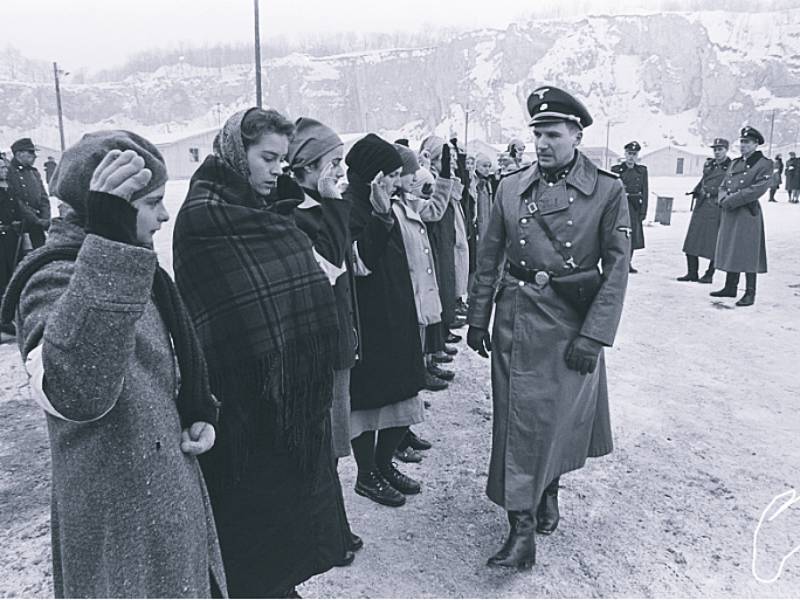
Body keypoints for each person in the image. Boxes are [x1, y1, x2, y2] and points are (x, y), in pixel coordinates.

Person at [0, 132, 227, 597]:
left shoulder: (132, 266)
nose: (165, 215)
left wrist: (195, 405)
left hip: (162, 499)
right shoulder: (54, 277)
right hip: (118, 519)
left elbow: (157, 363)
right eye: (152, 202)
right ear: (112, 208)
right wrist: (107, 243)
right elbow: (75, 391)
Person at [173, 108, 347, 598]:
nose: (277, 170)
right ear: (236, 153)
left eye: (283, 160)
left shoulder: (265, 210)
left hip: (287, 396)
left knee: (287, 514)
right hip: (239, 403)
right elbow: (211, 319)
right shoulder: (203, 216)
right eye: (267, 158)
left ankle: (280, 584)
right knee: (252, 519)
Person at [467, 86, 630, 569]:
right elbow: (489, 255)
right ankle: (520, 530)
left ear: (577, 135)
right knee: (517, 424)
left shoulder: (607, 189)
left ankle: (548, 489)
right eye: (537, 133)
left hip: (569, 323)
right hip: (517, 318)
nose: (542, 143)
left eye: (553, 134)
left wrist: (594, 336)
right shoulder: (511, 186)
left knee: (555, 421)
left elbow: (617, 269)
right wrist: (478, 316)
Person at [285, 116, 363, 566]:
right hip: (318, 346)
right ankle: (328, 532)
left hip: (337, 340)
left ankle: (335, 527)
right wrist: (332, 203)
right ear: (307, 167)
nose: (340, 173)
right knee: (322, 446)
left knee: (331, 444)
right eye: (333, 163)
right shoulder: (299, 216)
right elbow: (333, 258)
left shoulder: (320, 205)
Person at [345, 134, 427, 508]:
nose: (397, 182)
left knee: (403, 390)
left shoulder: (387, 205)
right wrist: (378, 217)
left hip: (397, 315)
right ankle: (367, 475)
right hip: (370, 322)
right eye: (391, 175)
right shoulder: (349, 207)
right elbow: (360, 264)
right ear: (371, 176)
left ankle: (383, 463)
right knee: (366, 401)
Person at [710, 126, 771, 307]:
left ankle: (750, 293)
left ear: (756, 144)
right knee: (732, 248)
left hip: (747, 213)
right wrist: (722, 199)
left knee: (748, 252)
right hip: (731, 212)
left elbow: (758, 188)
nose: (743, 145)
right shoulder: (735, 163)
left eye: (748, 142)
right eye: (742, 142)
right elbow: (723, 184)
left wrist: (731, 200)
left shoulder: (764, 164)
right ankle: (730, 286)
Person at [677, 138, 731, 284]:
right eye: (715, 149)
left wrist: (715, 193)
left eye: (720, 149)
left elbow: (729, 186)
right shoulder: (709, 164)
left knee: (714, 242)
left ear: (726, 150)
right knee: (692, 239)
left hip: (716, 206)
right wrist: (696, 189)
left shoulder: (731, 166)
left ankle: (709, 274)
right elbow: (704, 180)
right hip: (702, 204)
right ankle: (692, 272)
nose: (717, 152)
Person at [611, 141, 648, 273]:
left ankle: (628, 263)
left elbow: (645, 191)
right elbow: (611, 190)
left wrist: (643, 211)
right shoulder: (616, 170)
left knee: (631, 237)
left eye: (634, 154)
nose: (631, 157)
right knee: (618, 236)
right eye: (629, 153)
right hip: (620, 207)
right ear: (625, 154)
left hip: (634, 208)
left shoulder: (642, 171)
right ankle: (617, 263)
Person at [0, 158, 23, 337]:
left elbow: (16, 208)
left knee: (11, 274)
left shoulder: (10, 188)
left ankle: (9, 317)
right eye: (0, 168)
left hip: (12, 237)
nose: (4, 170)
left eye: (5, 167)